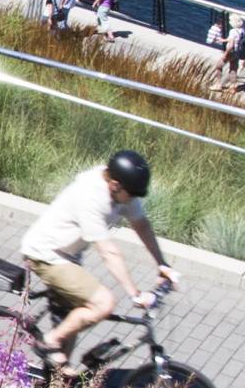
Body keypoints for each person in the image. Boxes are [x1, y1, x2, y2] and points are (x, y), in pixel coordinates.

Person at [20, 151, 177, 373]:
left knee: (75, 319)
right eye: (131, 194)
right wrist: (134, 294)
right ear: (114, 184)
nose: (133, 199)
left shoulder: (123, 191)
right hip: (46, 254)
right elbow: (108, 253)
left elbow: (141, 224)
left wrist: (163, 264)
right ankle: (50, 340)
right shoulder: (90, 197)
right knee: (103, 303)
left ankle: (56, 376)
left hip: (69, 254)